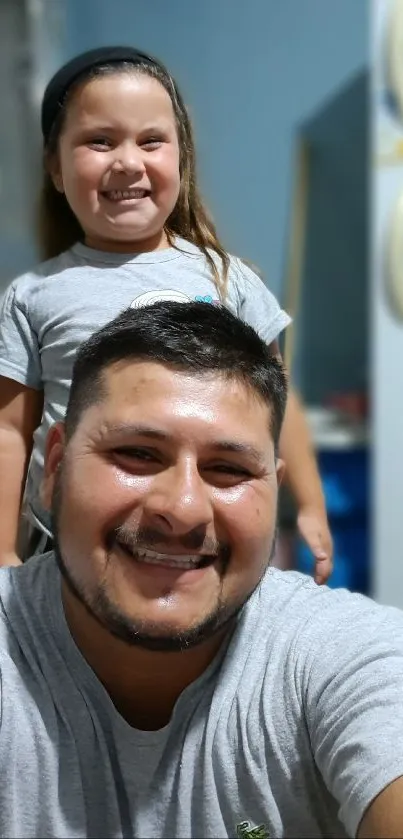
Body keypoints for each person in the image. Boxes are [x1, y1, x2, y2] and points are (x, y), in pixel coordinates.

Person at [0, 300, 401, 839]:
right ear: (55, 467)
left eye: (228, 469)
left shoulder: (344, 656)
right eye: (137, 454)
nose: (184, 508)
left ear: (274, 491)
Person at [0, 45, 332, 579]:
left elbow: (277, 400)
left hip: (203, 537)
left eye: (151, 141)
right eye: (99, 141)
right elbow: (10, 432)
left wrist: (311, 506)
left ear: (182, 161)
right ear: (55, 168)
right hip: (75, 553)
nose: (127, 161)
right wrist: (2, 551)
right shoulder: (34, 295)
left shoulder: (229, 280)